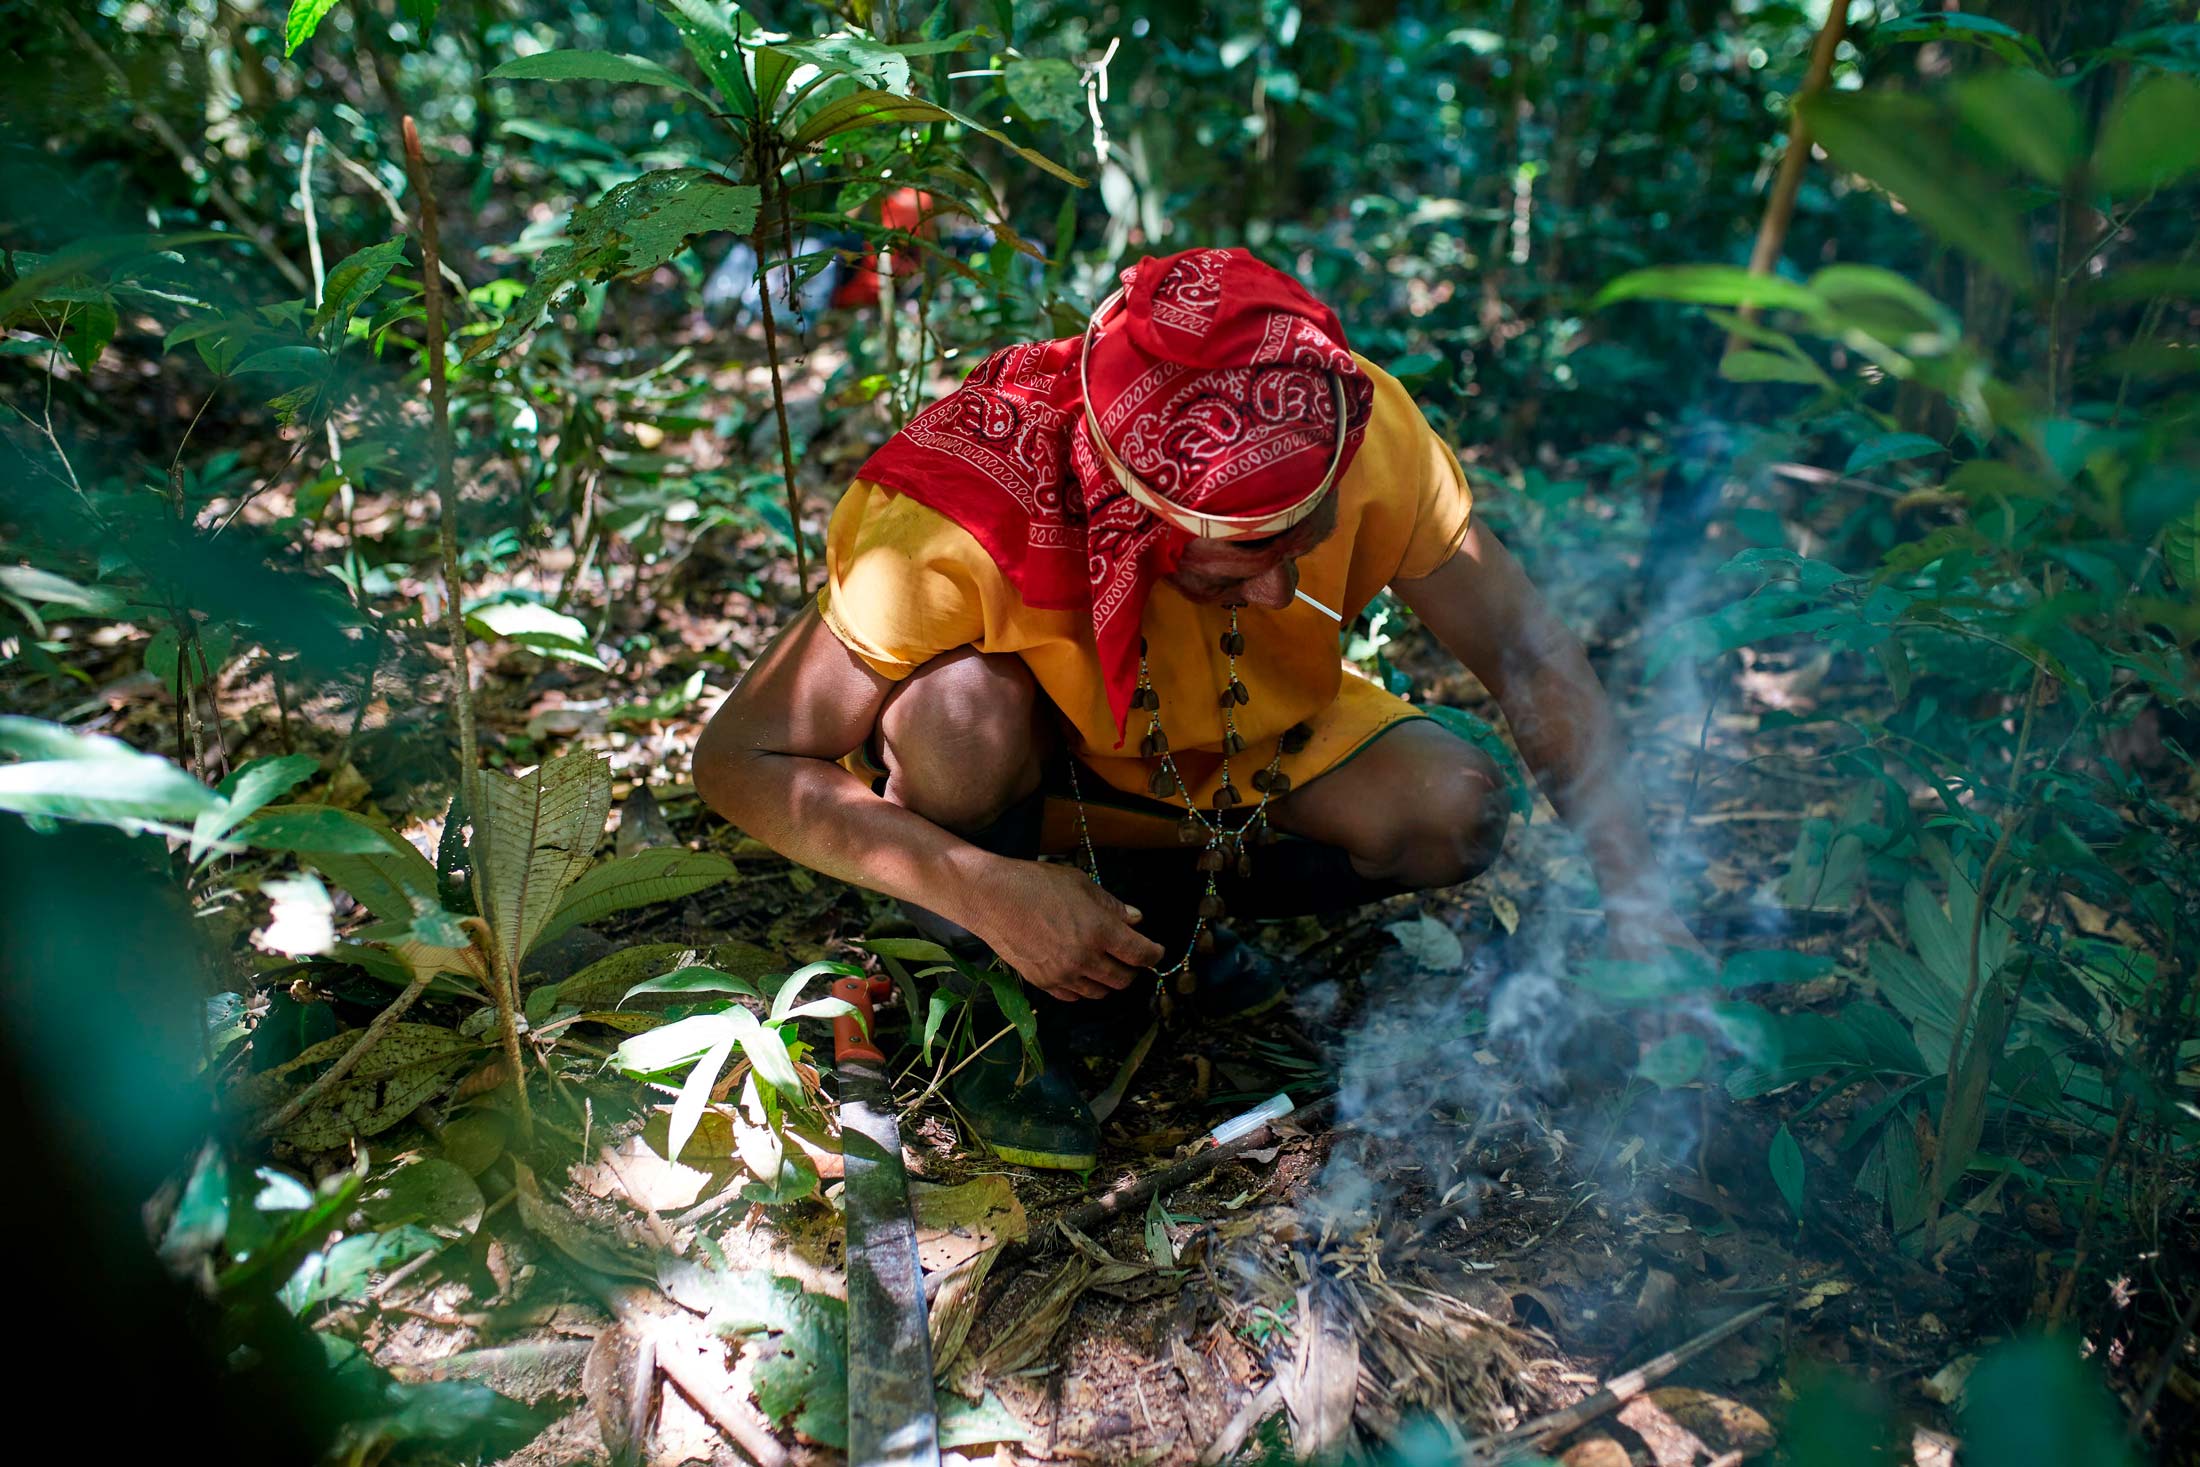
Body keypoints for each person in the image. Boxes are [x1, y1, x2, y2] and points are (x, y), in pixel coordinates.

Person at [695, 247, 1698, 1168]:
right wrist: (982, 889)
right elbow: (740, 758)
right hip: (1038, 777)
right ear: (1131, 509)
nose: (1279, 592)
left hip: (1238, 750)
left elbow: (1533, 656)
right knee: (954, 718)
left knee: (1450, 808)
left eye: (1303, 539)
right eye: (1243, 555)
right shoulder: (963, 514)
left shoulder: (1352, 427)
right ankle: (991, 997)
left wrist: (1640, 902)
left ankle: (1164, 925)